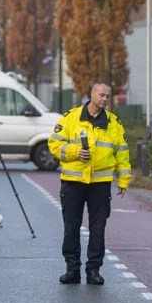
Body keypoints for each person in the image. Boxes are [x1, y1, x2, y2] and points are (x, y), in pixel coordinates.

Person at [47, 82, 132, 285]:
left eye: (107, 96)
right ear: (92, 94)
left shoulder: (114, 123)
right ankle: (72, 269)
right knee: (71, 227)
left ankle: (93, 270)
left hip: (100, 184)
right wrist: (75, 152)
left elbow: (122, 153)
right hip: (73, 182)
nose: (104, 99)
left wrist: (123, 179)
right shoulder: (71, 118)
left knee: (98, 227)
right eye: (101, 95)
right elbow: (54, 144)